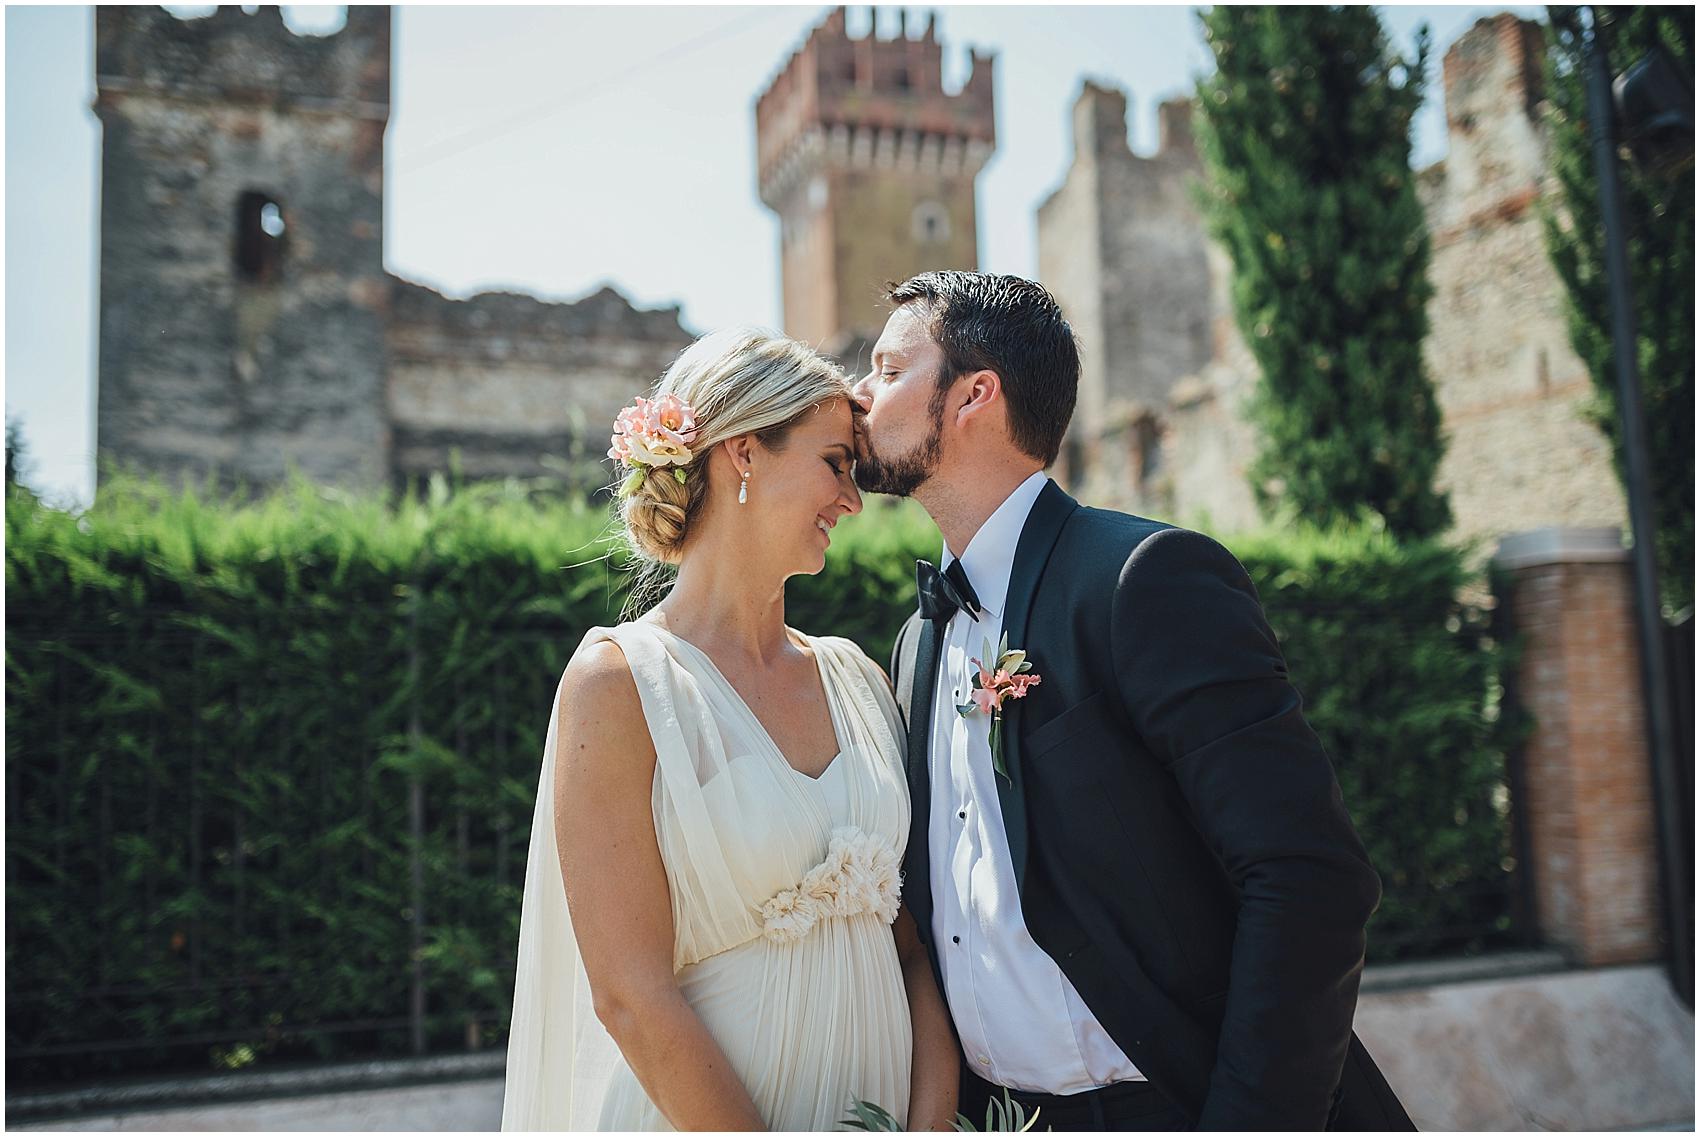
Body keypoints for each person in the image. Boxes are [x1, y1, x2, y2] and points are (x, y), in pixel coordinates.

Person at [852, 271, 1415, 1131]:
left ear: (973, 396)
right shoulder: (916, 642)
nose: (859, 393)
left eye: (890, 369)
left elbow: (1310, 879)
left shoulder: (1144, 579)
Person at [500, 328, 959, 1131]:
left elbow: (915, 950)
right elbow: (630, 996)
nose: (852, 500)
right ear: (743, 453)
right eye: (832, 463)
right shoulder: (620, 685)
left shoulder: (862, 680)